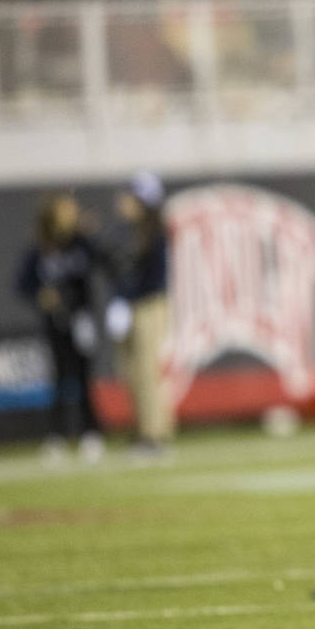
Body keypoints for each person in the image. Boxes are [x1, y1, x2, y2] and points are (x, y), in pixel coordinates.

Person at [15, 191, 105, 463]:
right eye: (66, 209)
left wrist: (89, 235)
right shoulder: (40, 247)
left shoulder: (79, 243)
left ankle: (91, 432)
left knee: (83, 376)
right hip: (55, 322)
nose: (72, 212)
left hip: (81, 319)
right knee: (58, 376)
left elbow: (101, 260)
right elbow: (23, 284)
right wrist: (42, 295)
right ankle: (57, 434)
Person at [105, 171, 173, 458]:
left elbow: (151, 279)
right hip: (131, 305)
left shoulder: (155, 234)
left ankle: (154, 434)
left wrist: (126, 298)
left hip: (148, 306)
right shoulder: (128, 232)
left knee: (146, 372)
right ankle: (144, 429)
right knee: (129, 372)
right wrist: (120, 300)